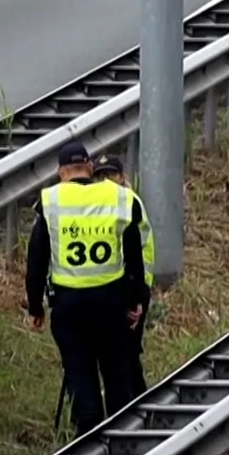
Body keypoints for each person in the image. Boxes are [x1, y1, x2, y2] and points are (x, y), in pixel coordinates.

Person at [24, 142, 150, 436]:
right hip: (111, 301)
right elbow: (134, 255)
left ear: (60, 172)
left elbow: (37, 260)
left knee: (79, 370)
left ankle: (90, 437)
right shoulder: (117, 198)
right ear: (90, 168)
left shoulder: (51, 200)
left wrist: (34, 307)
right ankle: (125, 440)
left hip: (69, 304)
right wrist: (136, 300)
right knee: (117, 371)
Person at [91, 152, 153, 396]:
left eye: (110, 174)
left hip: (134, 287)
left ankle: (133, 404)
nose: (105, 180)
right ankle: (138, 402)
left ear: (122, 176)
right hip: (116, 289)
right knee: (125, 352)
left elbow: (139, 251)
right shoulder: (107, 203)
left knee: (124, 352)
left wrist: (135, 293)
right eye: (100, 175)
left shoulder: (128, 202)